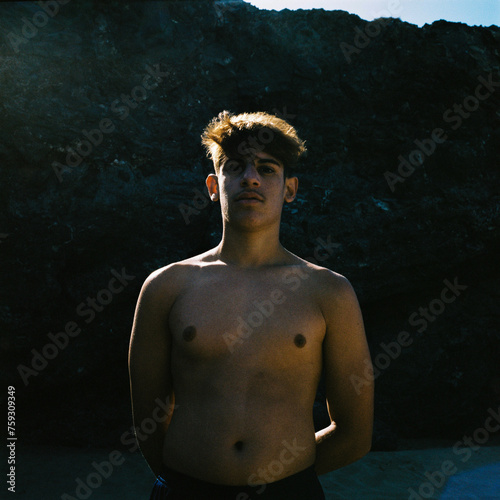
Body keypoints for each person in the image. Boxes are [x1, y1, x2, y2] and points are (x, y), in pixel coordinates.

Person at [128, 111, 374, 499]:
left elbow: (355, 433)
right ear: (213, 185)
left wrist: (284, 477)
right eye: (235, 167)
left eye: (267, 168)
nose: (251, 178)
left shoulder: (329, 293)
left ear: (290, 188)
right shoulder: (166, 287)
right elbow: (147, 420)